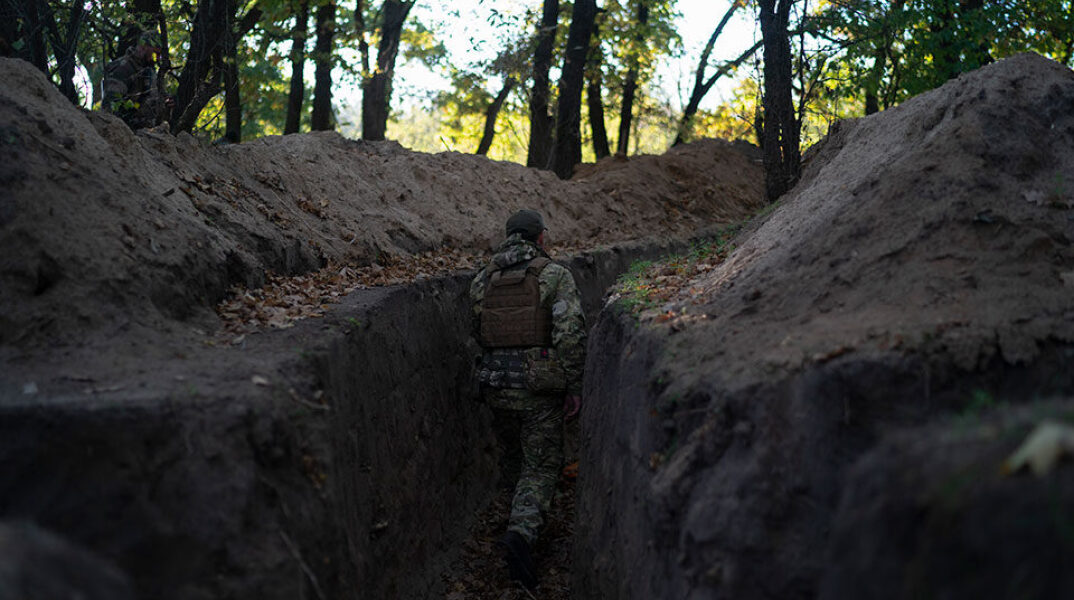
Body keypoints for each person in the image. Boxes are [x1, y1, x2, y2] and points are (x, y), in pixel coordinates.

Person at [469, 209, 586, 589]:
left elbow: (477, 330)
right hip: (538, 390)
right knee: (540, 467)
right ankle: (521, 535)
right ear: (539, 239)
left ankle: (512, 518)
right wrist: (573, 386)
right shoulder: (554, 275)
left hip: (496, 386)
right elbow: (570, 335)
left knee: (514, 460)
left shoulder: (483, 279)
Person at [101, 31, 174, 130]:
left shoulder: (151, 73)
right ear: (143, 46)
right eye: (155, 52)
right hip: (123, 134)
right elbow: (110, 109)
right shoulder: (123, 68)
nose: (157, 58)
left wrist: (165, 105)